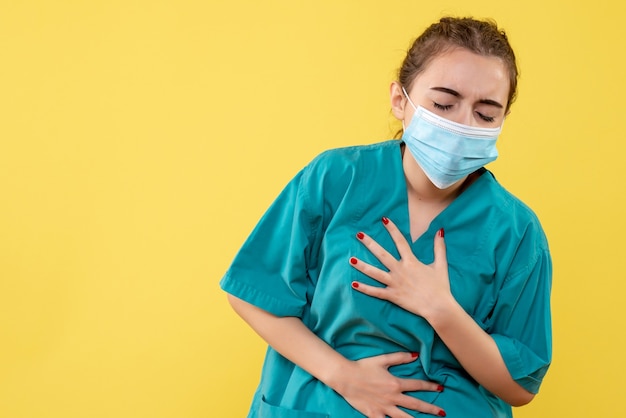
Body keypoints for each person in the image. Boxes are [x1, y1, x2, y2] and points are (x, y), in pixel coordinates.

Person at [220, 16, 552, 418]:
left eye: (485, 114)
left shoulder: (516, 231)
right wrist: (344, 376)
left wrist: (441, 308)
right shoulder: (337, 178)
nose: (462, 125)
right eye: (444, 104)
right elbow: (254, 292)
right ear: (400, 100)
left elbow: (519, 385)